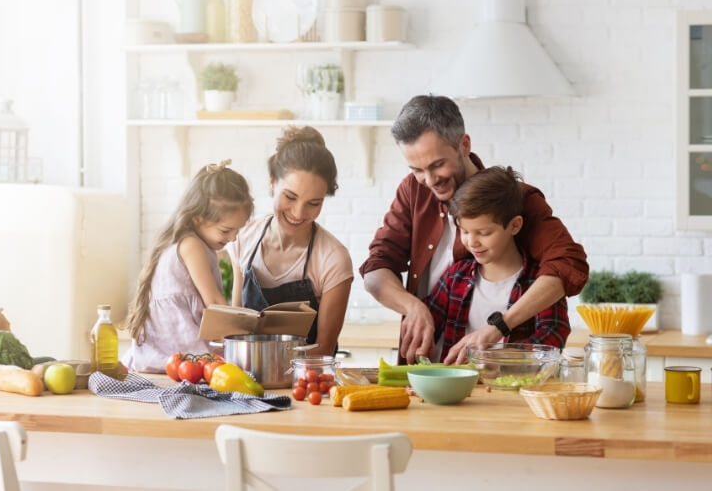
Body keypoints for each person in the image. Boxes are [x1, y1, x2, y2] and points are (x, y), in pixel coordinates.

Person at [360, 95, 588, 364]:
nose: (429, 180)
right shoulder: (413, 190)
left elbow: (568, 264)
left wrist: (499, 328)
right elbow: (376, 268)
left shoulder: (514, 199)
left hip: (501, 376)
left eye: (437, 165)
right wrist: (412, 307)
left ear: (464, 145)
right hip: (432, 368)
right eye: (417, 169)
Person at [229, 126, 354, 356]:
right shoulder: (243, 237)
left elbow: (324, 350)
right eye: (290, 197)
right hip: (245, 381)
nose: (298, 213)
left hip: (305, 384)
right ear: (272, 183)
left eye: (313, 203)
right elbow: (235, 330)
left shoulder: (333, 258)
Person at [427, 166, 570, 364]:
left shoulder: (539, 283)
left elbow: (553, 336)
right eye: (464, 231)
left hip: (514, 389)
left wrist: (496, 358)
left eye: (484, 233)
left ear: (515, 225)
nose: (472, 242)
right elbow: (429, 324)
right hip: (456, 389)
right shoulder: (455, 277)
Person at [123, 160, 253, 372]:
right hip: (177, 349)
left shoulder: (191, 242)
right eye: (226, 230)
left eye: (237, 231)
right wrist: (241, 335)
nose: (233, 238)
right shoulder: (192, 245)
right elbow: (213, 301)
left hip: (169, 350)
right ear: (198, 219)